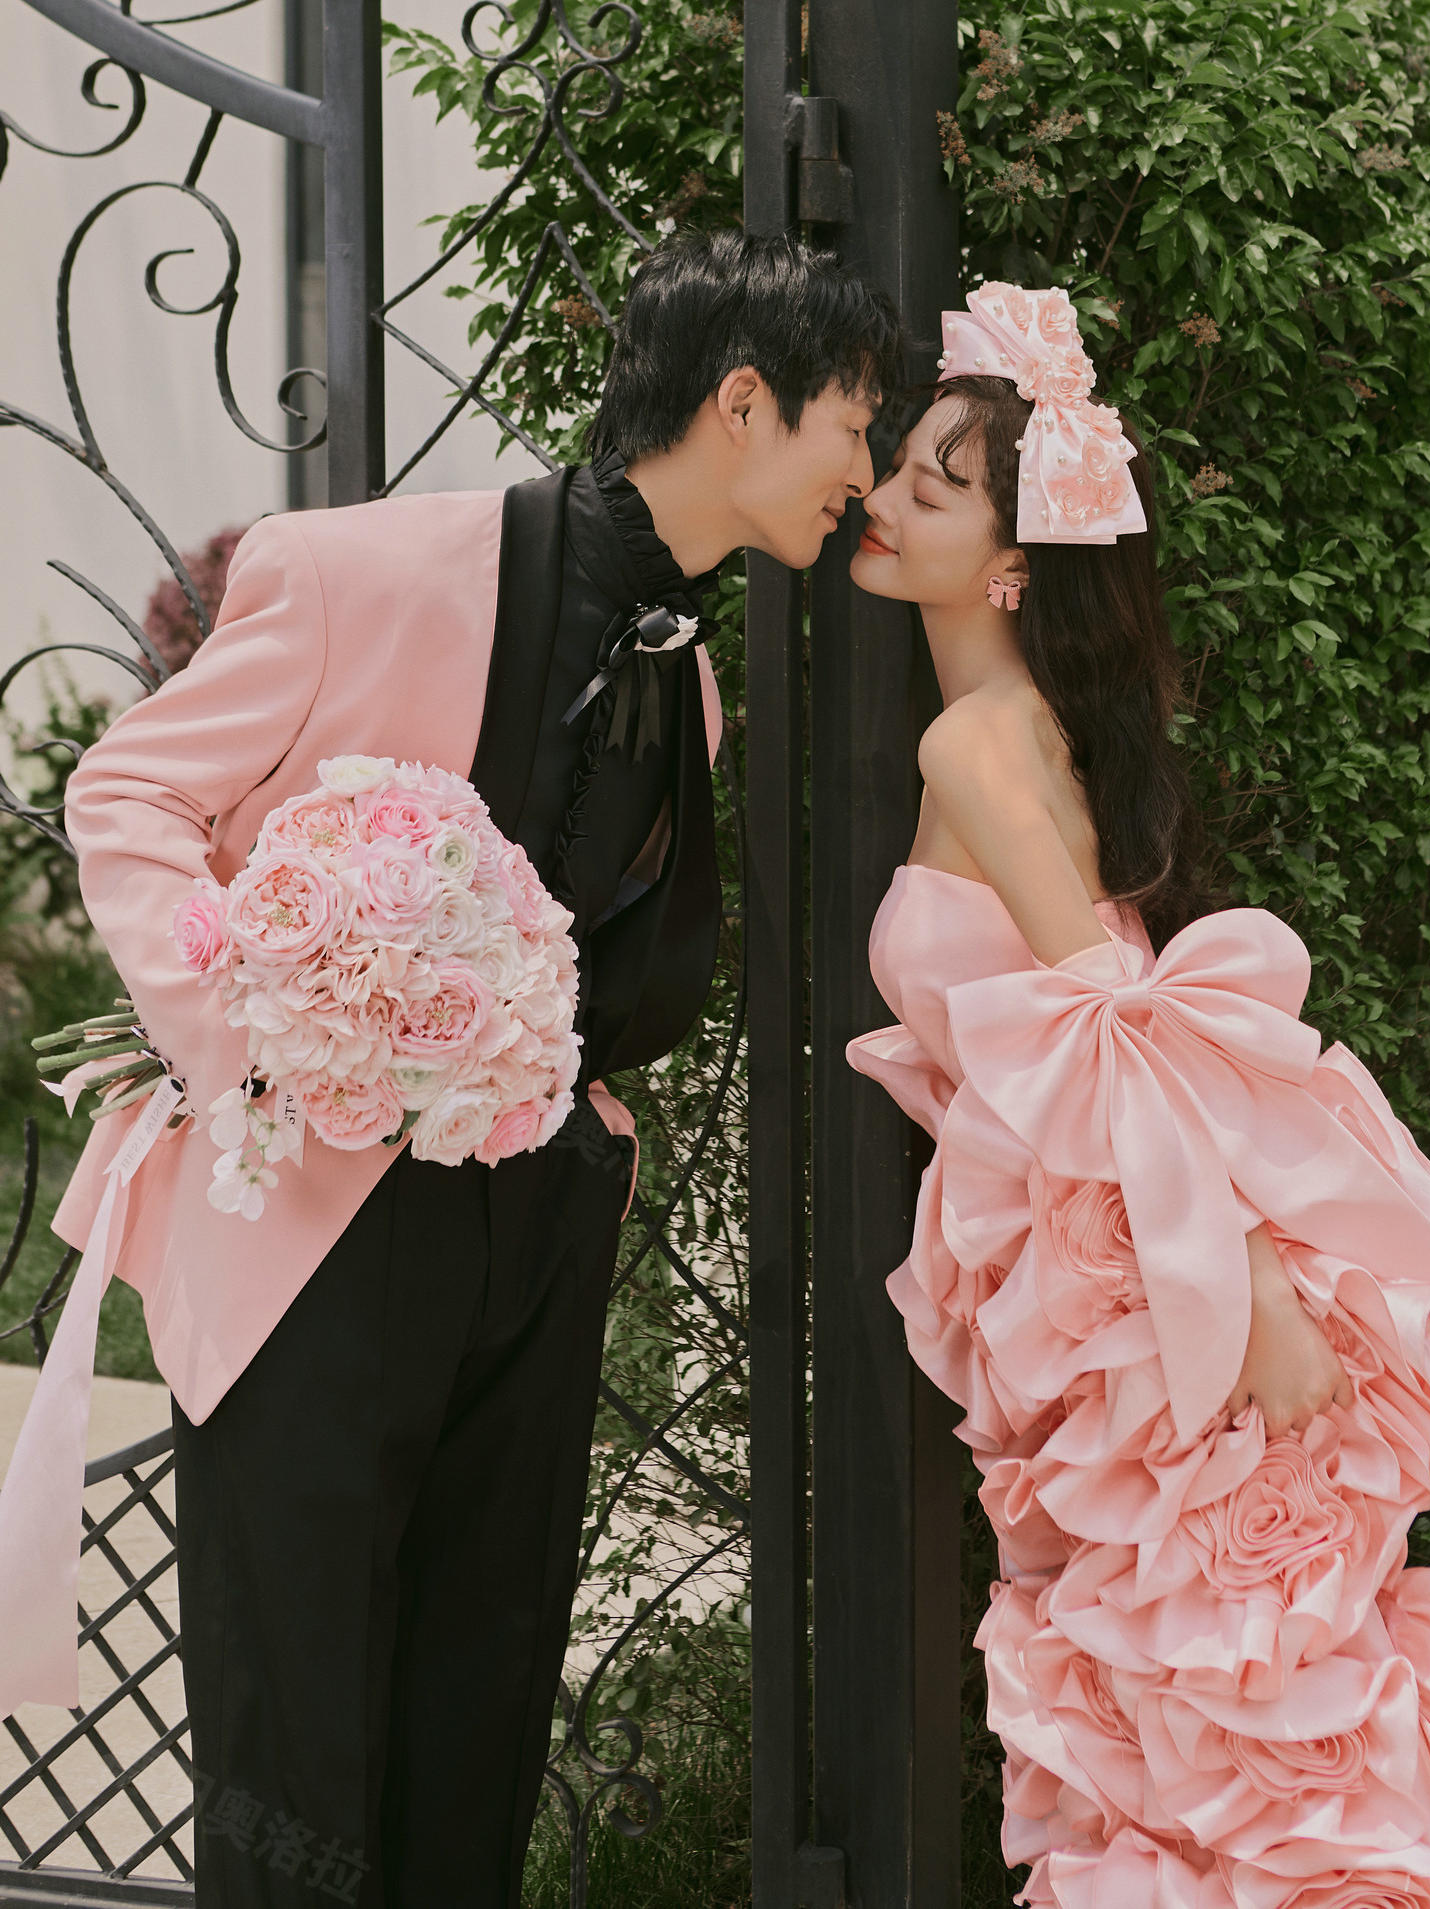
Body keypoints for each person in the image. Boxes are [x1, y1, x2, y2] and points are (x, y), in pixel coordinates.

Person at [1, 229, 899, 1907]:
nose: (865, 467)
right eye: (852, 421)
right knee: (295, 1746)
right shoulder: (365, 568)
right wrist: (254, 1038)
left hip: (532, 1240)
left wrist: (586, 1149)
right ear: (743, 403)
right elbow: (128, 794)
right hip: (315, 1240)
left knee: (475, 1725)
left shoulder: (686, 674)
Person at [845, 282, 1430, 1906]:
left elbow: (1114, 1030)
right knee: (1205, 1679)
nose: (884, 500)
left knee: (1207, 1675)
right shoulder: (1027, 731)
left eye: (932, 488)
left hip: (1123, 1265)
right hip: (1092, 1260)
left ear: (1012, 566)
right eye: (898, 470)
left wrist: (1247, 1289)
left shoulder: (976, 745)